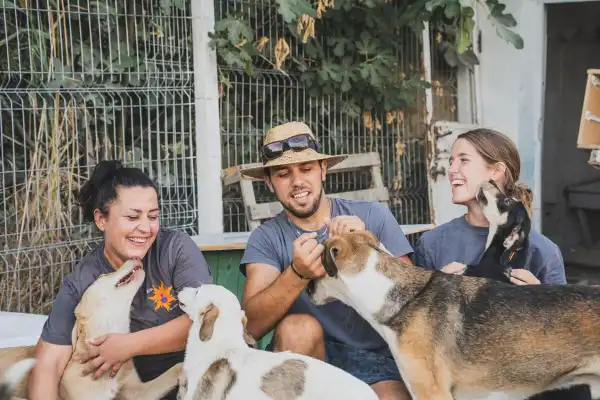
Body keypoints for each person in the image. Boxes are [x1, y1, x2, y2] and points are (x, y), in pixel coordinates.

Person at [238, 121, 415, 400]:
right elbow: (249, 327)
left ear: (323, 170)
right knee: (298, 328)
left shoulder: (372, 216)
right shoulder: (265, 238)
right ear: (269, 183)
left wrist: (370, 249)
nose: (297, 182)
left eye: (306, 169)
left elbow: (414, 301)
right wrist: (297, 274)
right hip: (305, 363)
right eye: (283, 174)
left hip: (376, 360)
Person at [413, 128, 590, 400]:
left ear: (495, 171)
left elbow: (565, 346)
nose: (451, 169)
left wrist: (542, 300)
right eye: (450, 161)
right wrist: (435, 293)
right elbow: (418, 334)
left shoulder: (543, 251)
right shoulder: (432, 243)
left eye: (463, 160)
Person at [27, 160, 213, 400]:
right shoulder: (83, 280)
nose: (145, 228)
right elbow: (48, 365)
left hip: (202, 378)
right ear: (101, 219)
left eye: (153, 216)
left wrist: (128, 345)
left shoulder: (174, 249)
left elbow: (207, 321)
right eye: (132, 217)